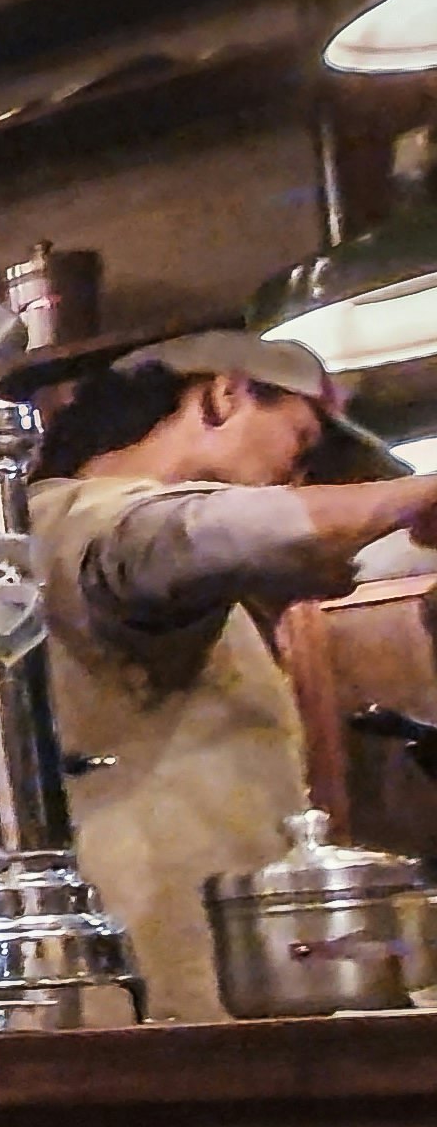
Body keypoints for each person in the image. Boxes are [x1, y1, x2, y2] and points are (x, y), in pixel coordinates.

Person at [31, 329, 437, 1016]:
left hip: (201, 1004)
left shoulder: (211, 598)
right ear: (224, 397)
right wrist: (410, 498)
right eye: (299, 446)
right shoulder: (71, 517)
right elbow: (200, 536)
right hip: (147, 1010)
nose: (297, 480)